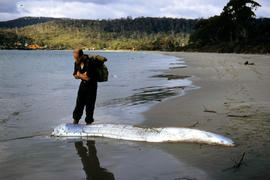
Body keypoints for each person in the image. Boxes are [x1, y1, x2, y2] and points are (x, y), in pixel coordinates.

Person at [72, 49, 98, 125]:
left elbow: (88, 78)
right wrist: (82, 76)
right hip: (83, 84)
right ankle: (76, 120)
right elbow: (74, 75)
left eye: (77, 58)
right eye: (75, 58)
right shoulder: (77, 62)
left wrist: (79, 75)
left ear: (82, 56)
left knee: (90, 105)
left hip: (92, 85)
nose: (76, 60)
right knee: (79, 103)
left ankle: (89, 122)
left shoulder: (90, 62)